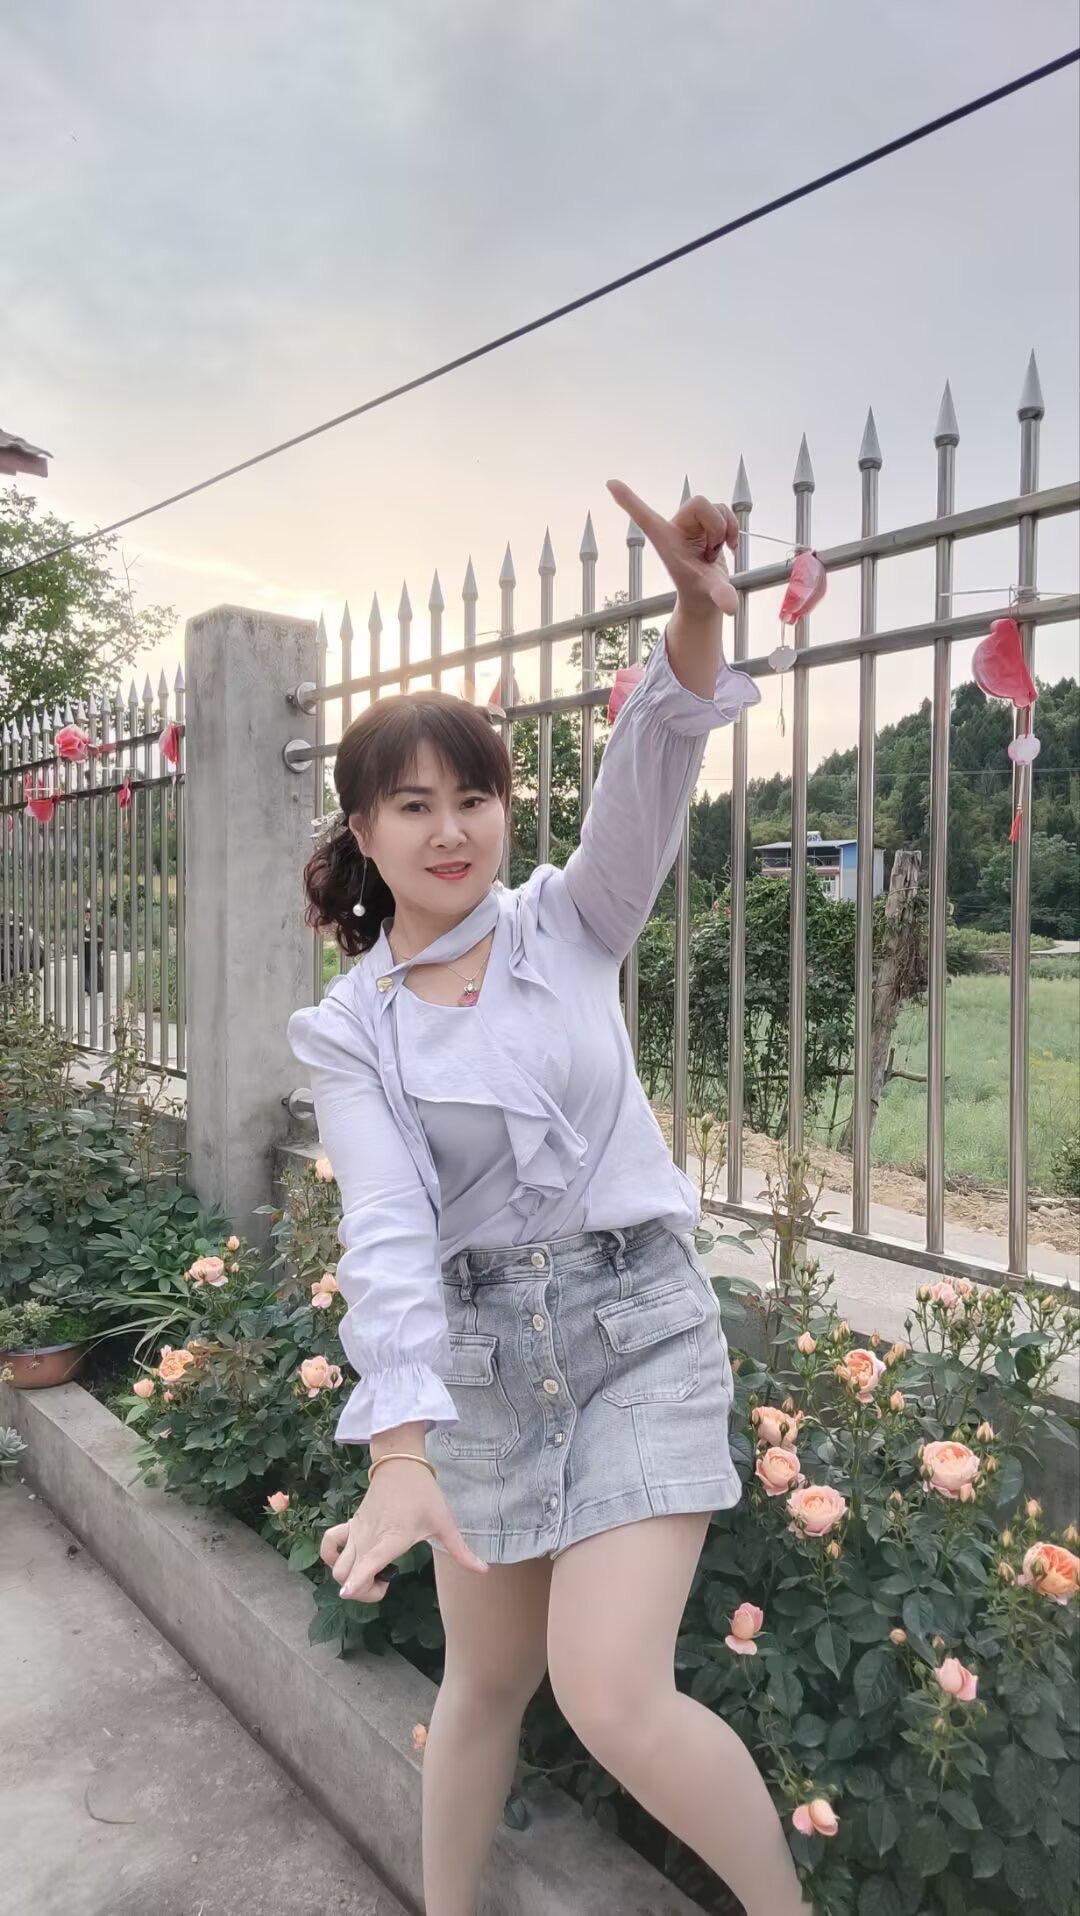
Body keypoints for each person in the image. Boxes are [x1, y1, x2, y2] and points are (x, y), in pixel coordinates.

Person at [287, 481, 809, 1916]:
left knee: (610, 1691)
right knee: (486, 1681)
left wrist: (695, 617)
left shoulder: (571, 923)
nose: (452, 830)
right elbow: (387, 1230)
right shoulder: (352, 1031)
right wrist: (400, 1447)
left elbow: (649, 772)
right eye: (415, 805)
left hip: (638, 1327)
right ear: (366, 829)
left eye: (476, 797)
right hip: (479, 1366)